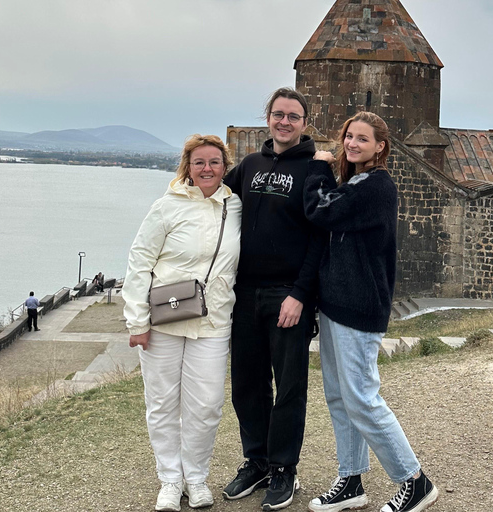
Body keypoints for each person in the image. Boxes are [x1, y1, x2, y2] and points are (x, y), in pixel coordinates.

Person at [304, 112, 438, 512]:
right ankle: (351, 481)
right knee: (339, 397)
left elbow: (321, 209)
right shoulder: (356, 181)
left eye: (362, 139)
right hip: (335, 303)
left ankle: (414, 481)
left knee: (361, 397)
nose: (352, 143)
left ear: (381, 146)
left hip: (359, 306)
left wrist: (317, 169)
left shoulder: (377, 185)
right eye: (349, 136)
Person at [122, 134, 241, 512]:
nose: (207, 169)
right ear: (187, 167)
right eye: (199, 162)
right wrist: (136, 320)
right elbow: (139, 262)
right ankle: (171, 480)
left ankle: (197, 477)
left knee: (206, 405)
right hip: (164, 320)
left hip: (215, 319)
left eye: (215, 162)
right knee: (161, 402)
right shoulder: (166, 206)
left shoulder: (235, 206)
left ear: (225, 166)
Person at [222, 87, 324, 511]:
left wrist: (301, 295)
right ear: (268, 118)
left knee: (289, 388)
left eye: (293, 117)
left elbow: (321, 237)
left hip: (287, 295)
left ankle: (285, 468)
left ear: (304, 123)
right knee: (247, 382)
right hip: (244, 292)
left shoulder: (315, 170)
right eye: (278, 114)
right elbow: (214, 204)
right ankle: (257, 460)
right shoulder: (249, 165)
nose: (285, 122)